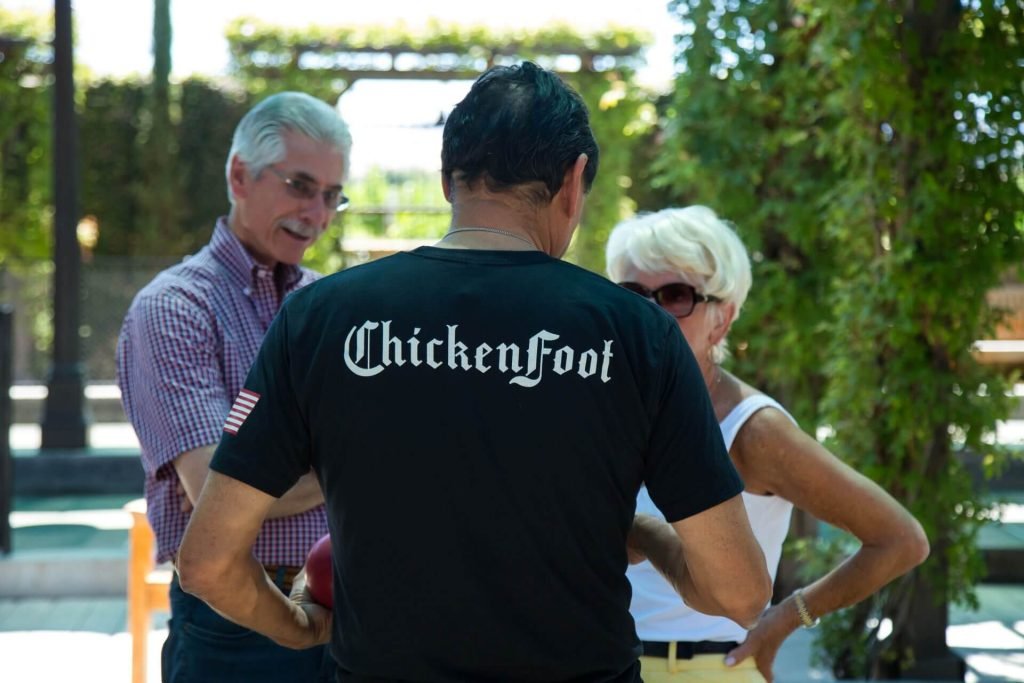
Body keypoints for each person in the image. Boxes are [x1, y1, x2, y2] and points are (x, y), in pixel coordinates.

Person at [175, 61, 772, 683]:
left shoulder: (318, 318)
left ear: (446, 180)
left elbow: (208, 562)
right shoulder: (640, 335)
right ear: (573, 183)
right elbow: (739, 592)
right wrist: (644, 534)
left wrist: (296, 628)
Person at [606, 205, 931, 683]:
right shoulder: (608, 405)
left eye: (675, 296)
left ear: (722, 317)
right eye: (633, 294)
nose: (650, 314)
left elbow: (901, 540)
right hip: (603, 662)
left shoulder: (752, 428)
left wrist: (787, 617)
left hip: (706, 669)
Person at [116, 91, 352, 682]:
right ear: (239, 175)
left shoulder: (327, 303)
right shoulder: (174, 309)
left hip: (349, 605)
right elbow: (216, 490)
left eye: (331, 196)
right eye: (300, 185)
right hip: (237, 617)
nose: (317, 213)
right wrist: (353, 457)